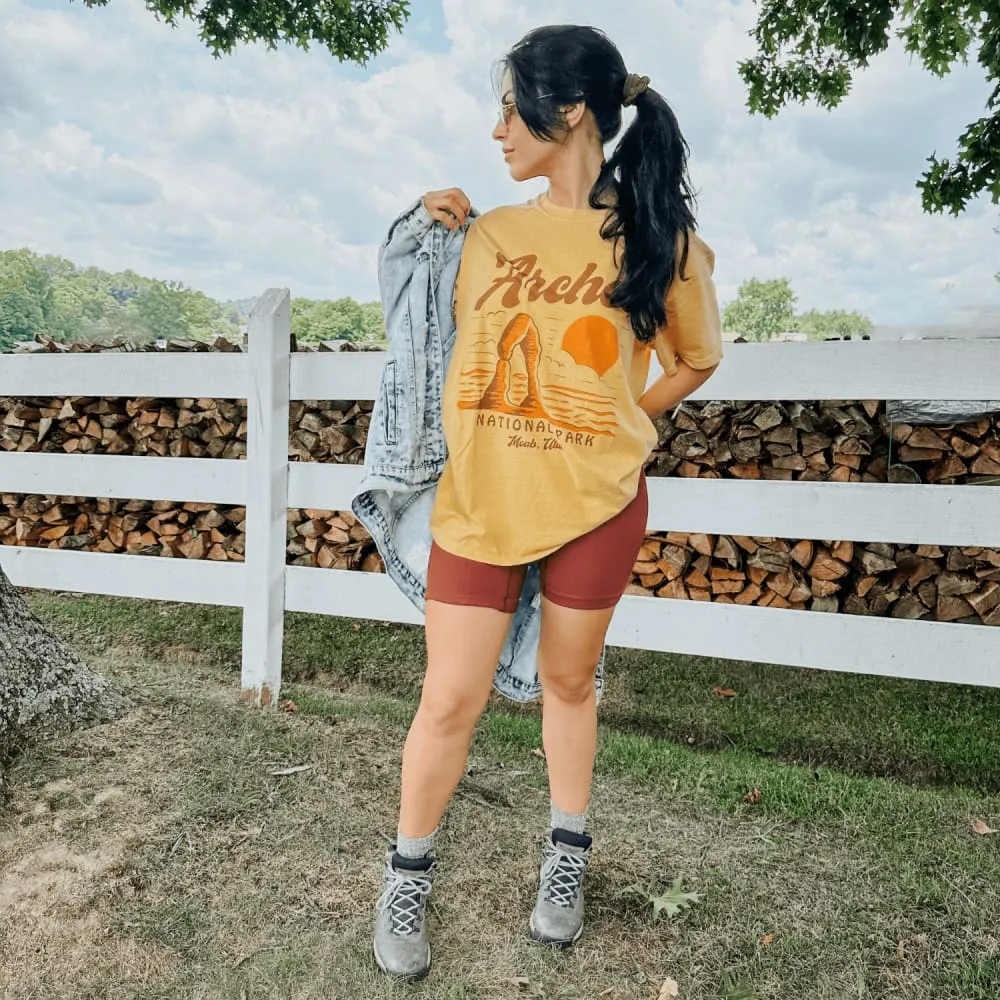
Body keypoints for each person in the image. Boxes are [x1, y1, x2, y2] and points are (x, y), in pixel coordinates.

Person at [373, 24, 722, 980]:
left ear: (565, 111)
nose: (495, 132)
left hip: (597, 506)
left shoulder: (662, 242)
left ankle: (566, 856)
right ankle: (407, 874)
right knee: (449, 697)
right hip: (480, 499)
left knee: (569, 686)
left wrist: (624, 422)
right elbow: (413, 335)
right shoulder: (485, 233)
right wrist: (416, 224)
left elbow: (697, 357)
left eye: (507, 106)